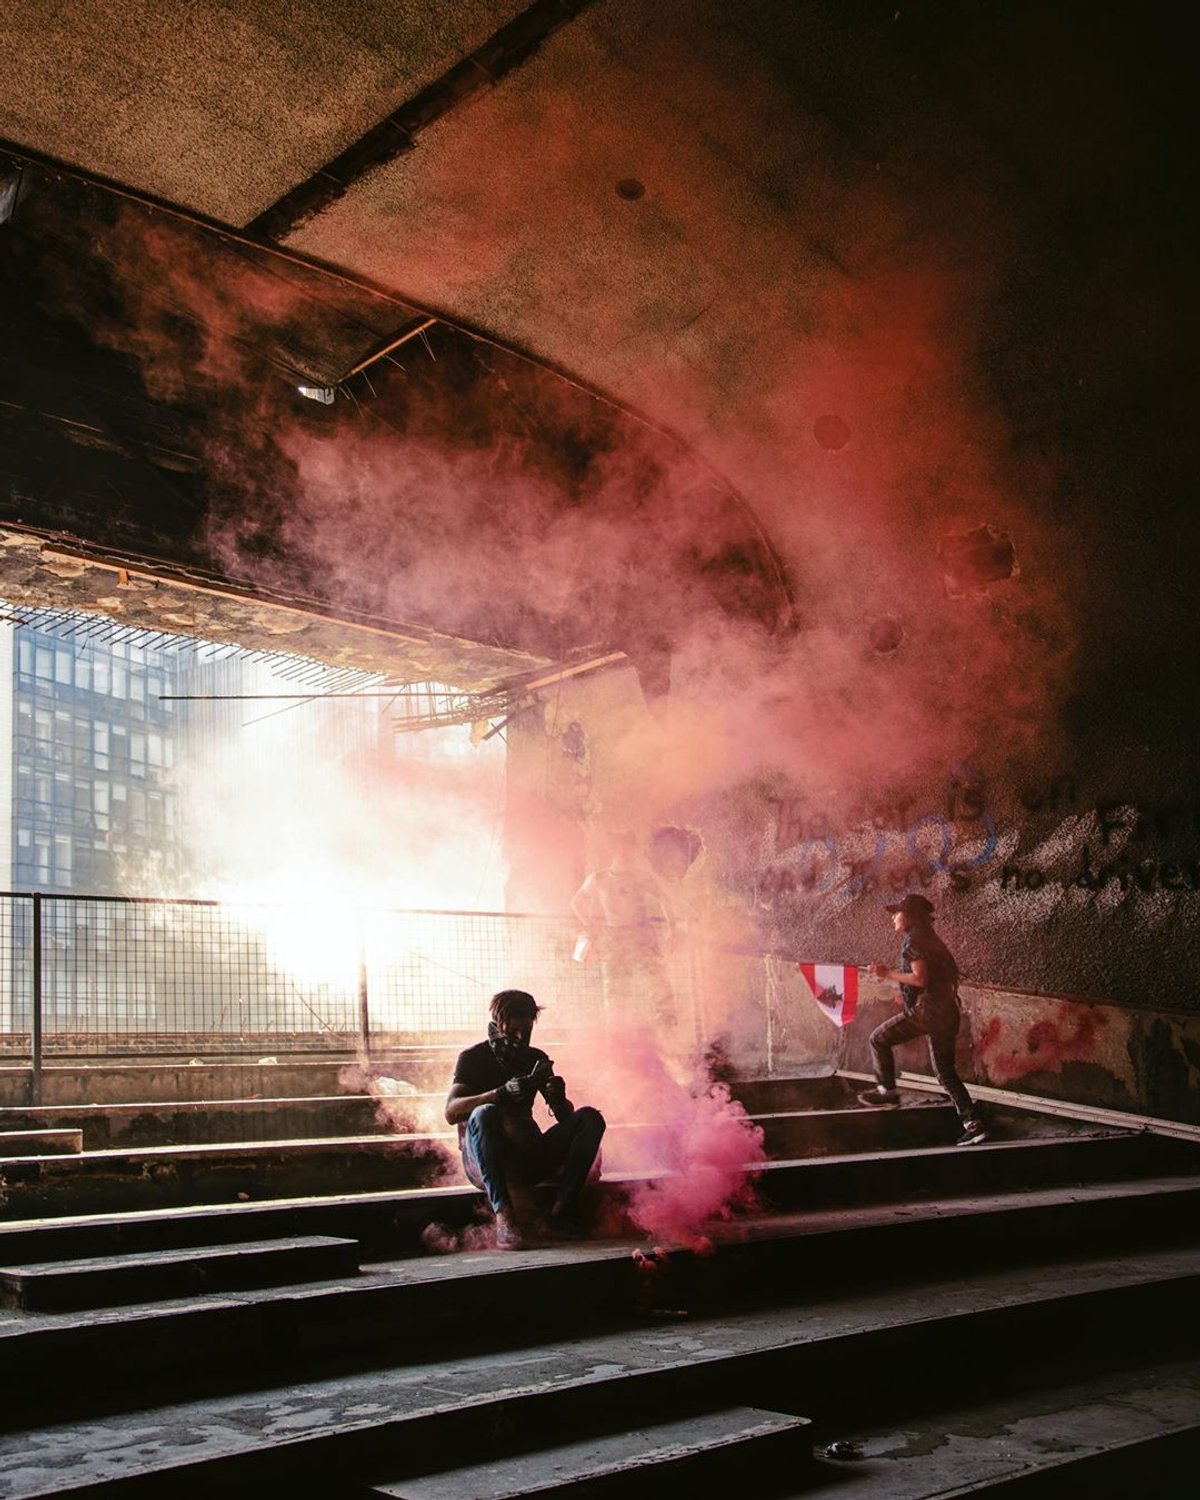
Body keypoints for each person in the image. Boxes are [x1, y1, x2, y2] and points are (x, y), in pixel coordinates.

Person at [445, 988, 606, 1249]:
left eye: (526, 1031)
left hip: (527, 1155)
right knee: (485, 1113)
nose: (520, 1039)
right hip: (485, 1162)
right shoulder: (473, 1058)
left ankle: (560, 1213)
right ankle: (505, 1218)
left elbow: (565, 1118)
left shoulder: (535, 1058)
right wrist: (499, 1095)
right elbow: (451, 1111)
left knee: (589, 1118)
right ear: (498, 1025)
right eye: (513, 1031)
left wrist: (558, 1098)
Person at [857, 893, 988, 1145]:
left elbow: (920, 979)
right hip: (947, 1012)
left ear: (910, 917)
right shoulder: (931, 939)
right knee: (946, 1073)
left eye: (897, 913)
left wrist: (886, 974)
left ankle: (887, 1092)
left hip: (929, 1011)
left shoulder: (913, 941)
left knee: (878, 1039)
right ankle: (973, 1124)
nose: (893, 918)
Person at [571, 831, 675, 1026]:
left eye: (630, 848)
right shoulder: (599, 879)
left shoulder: (641, 877)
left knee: (659, 985)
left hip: (641, 935)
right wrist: (590, 926)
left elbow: (665, 899)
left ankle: (668, 1031)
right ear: (614, 850)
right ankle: (619, 1035)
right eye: (622, 848)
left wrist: (672, 929)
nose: (627, 852)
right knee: (616, 992)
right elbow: (576, 902)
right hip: (614, 938)